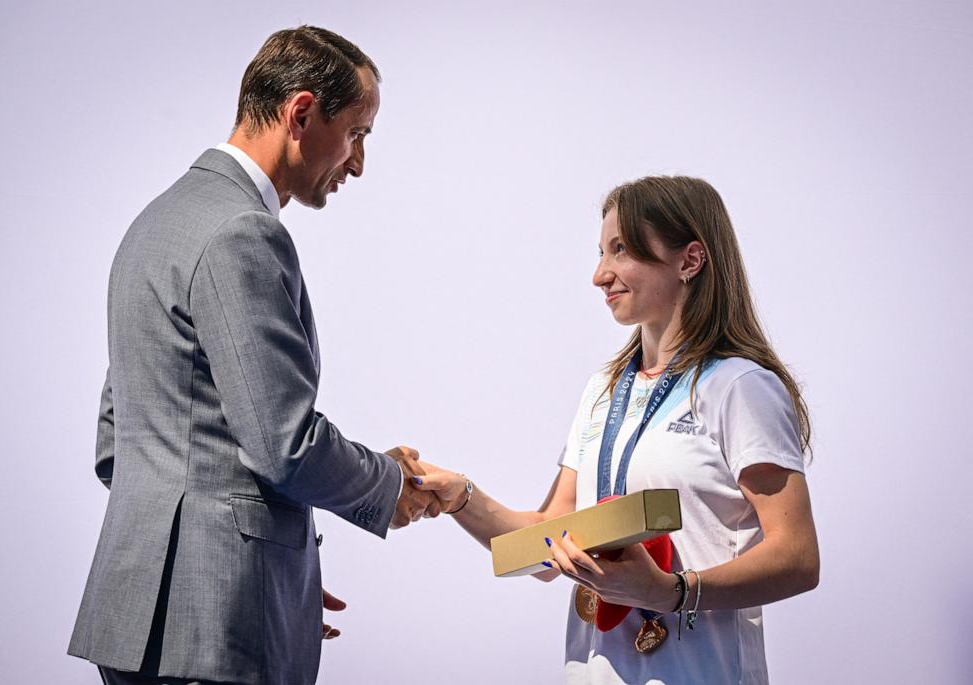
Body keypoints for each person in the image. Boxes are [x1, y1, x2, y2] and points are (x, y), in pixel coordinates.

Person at [67, 26, 434, 685]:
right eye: (358, 133)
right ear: (300, 113)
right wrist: (387, 482)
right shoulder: (244, 232)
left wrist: (261, 580)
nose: (357, 163)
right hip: (212, 643)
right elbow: (284, 444)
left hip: (138, 631)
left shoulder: (154, 222)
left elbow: (115, 446)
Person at [414, 176, 820, 684]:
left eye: (620, 250)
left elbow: (798, 557)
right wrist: (460, 498)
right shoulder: (603, 391)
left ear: (689, 261)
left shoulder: (739, 386)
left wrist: (672, 592)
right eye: (601, 252)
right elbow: (548, 544)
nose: (599, 275)